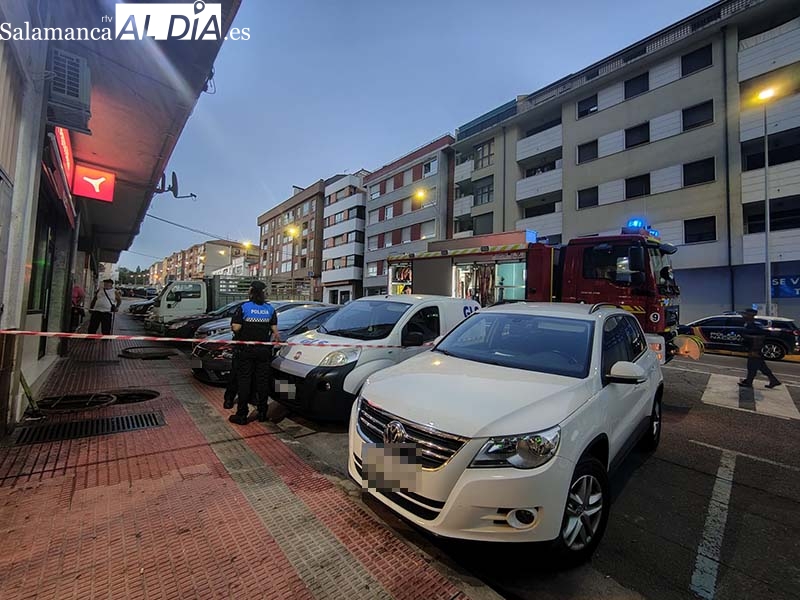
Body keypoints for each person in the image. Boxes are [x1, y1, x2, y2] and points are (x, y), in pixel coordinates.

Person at [228, 281, 280, 425]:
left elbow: (236, 328)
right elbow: (275, 332)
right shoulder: (269, 309)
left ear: (251, 292)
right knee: (262, 382)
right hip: (263, 351)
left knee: (244, 381)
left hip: (246, 351)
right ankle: (262, 412)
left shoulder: (244, 307)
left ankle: (242, 415)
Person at [738, 308, 781, 389]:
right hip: (753, 349)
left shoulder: (754, 325)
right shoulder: (749, 324)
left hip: (754, 350)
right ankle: (773, 380)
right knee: (762, 366)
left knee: (752, 366)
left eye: (745, 314)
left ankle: (749, 382)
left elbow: (758, 338)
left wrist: (755, 350)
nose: (743, 316)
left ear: (750, 316)